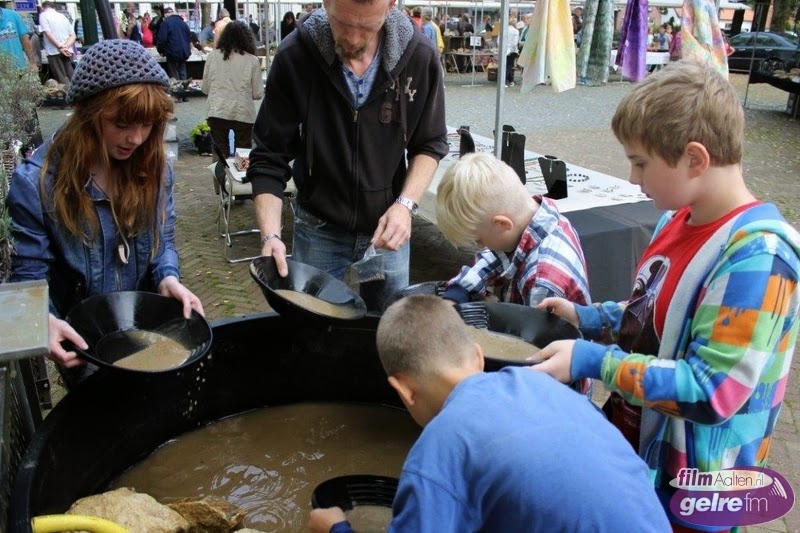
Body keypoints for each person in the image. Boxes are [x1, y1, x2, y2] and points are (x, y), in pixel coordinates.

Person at [532, 61, 800, 531]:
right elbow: (654, 313)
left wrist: (594, 361)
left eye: (640, 163)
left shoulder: (758, 258)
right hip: (644, 452)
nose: (634, 178)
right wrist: (588, 316)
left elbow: (712, 392)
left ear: (695, 159)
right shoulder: (676, 219)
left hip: (694, 489)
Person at [308, 295, 671, 533]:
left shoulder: (441, 446)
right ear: (479, 357)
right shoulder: (544, 388)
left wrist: (337, 528)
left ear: (403, 389)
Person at [6, 39, 204, 388]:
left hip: (147, 333)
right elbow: (30, 278)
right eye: (122, 124)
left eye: (147, 125)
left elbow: (162, 242)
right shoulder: (35, 184)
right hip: (86, 347)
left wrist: (168, 278)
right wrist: (43, 320)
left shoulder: (155, 167)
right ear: (89, 113)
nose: (136, 139)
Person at [246, 0, 448, 312]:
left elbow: (430, 143)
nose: (353, 39)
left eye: (366, 27)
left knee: (388, 327)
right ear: (326, 2)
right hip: (318, 227)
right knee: (314, 327)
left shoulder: (419, 57)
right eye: (342, 23)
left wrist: (405, 206)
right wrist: (270, 235)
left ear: (390, 5)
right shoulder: (295, 56)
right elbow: (269, 154)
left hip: (388, 227)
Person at [437, 152, 590, 307]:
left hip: (536, 320)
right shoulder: (539, 220)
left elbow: (532, 323)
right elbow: (494, 257)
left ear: (502, 224)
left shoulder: (541, 284)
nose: (480, 246)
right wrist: (457, 293)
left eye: (479, 239)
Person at [201, 21, 263, 164]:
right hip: (242, 113)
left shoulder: (212, 57)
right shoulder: (252, 60)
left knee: (219, 153)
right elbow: (258, 93)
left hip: (217, 111)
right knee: (243, 155)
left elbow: (205, 88)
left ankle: (220, 178)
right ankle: (241, 178)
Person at [38, 0, 76, 85]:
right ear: (53, 7)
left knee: (61, 76)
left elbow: (48, 33)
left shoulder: (43, 16)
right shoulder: (62, 16)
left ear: (43, 8)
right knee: (71, 74)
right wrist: (65, 47)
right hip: (67, 50)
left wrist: (60, 47)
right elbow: (73, 35)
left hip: (53, 50)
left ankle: (67, 92)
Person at [156, 7, 191, 81]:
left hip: (172, 52)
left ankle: (177, 87)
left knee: (174, 76)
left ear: (165, 15)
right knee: (182, 73)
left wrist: (161, 51)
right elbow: (189, 38)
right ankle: (184, 87)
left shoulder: (166, 23)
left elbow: (162, 39)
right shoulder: (183, 23)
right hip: (184, 52)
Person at [504, 17, 519, 86]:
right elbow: (515, 43)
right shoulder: (516, 31)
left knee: (505, 65)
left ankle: (510, 80)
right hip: (511, 51)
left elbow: (499, 41)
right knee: (509, 66)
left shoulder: (503, 29)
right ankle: (506, 80)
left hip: (504, 50)